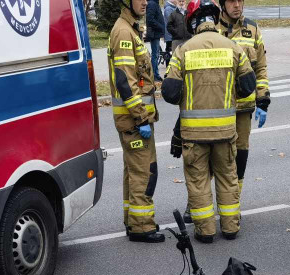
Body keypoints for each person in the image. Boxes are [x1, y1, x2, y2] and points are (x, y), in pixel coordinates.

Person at [162, 0, 256, 242]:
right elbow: (248, 87)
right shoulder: (233, 47)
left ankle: (205, 231)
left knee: (198, 181)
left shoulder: (183, 51)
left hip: (194, 136)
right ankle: (231, 228)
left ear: (193, 22)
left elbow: (170, 94)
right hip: (225, 131)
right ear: (214, 20)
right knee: (227, 178)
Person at [109, 0, 166, 243]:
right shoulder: (123, 31)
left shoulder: (129, 28)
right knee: (144, 171)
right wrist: (141, 117)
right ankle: (142, 226)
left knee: (133, 172)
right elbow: (125, 81)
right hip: (134, 120)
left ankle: (133, 220)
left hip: (135, 119)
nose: (145, 2)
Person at [219, 0, 271, 194]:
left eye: (240, 1)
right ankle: (196, 202)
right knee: (211, 156)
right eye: (232, 1)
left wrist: (263, 99)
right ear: (222, 4)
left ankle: (234, 200)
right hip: (217, 107)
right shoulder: (211, 28)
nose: (237, 5)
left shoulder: (252, 28)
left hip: (244, 107)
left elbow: (261, 67)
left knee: (241, 154)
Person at [146, 0, 167, 81]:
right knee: (155, 55)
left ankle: (155, 74)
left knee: (156, 54)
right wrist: (160, 26)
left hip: (156, 33)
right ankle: (154, 75)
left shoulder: (154, 3)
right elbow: (150, 19)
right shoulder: (152, 4)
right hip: (154, 33)